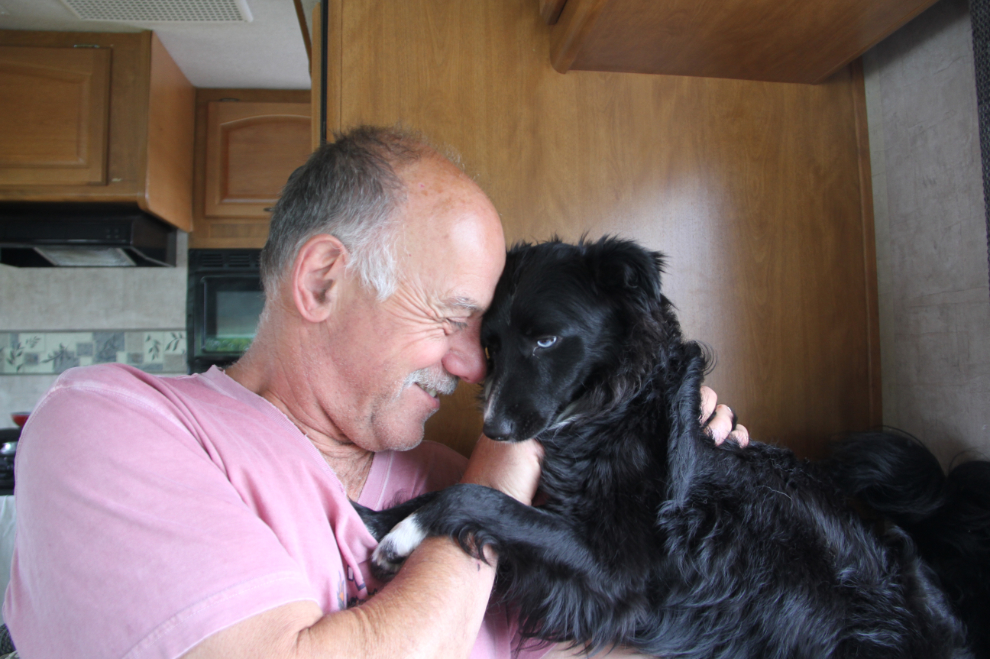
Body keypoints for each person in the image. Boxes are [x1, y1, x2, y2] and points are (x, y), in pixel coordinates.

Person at [3, 126, 747, 659]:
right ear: (324, 280)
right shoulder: (110, 425)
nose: (473, 366)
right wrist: (510, 453)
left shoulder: (441, 474)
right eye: (456, 320)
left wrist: (677, 468)